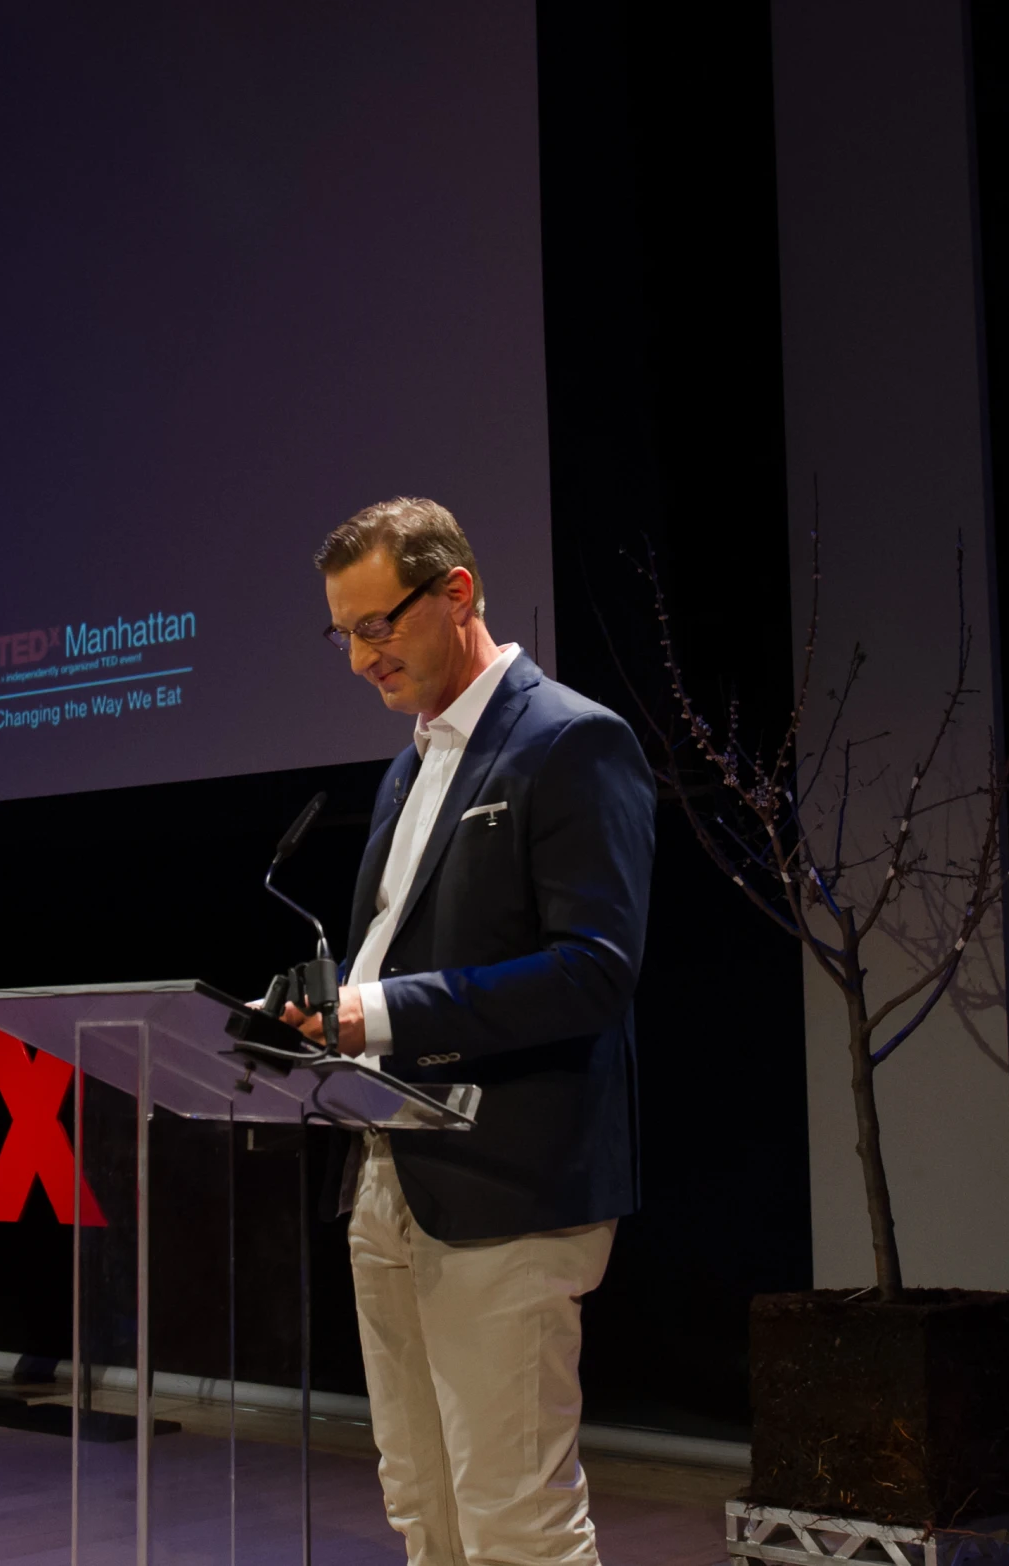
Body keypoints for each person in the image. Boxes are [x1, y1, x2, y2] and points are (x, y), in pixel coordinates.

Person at [281, 497, 655, 1566]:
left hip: (509, 1181)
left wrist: (376, 1013)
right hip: (389, 1174)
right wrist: (316, 1017)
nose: (358, 659)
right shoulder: (411, 763)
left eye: (375, 626)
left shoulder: (572, 741)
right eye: (342, 633)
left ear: (456, 594)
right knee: (424, 1514)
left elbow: (595, 972)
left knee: (513, 1526)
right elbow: (390, 957)